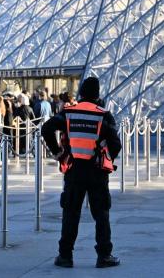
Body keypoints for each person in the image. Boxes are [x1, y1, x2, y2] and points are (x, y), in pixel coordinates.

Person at [41, 77, 121, 268]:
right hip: (96, 171)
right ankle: (104, 256)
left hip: (74, 171)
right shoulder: (103, 115)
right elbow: (116, 144)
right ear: (97, 94)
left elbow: (46, 128)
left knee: (71, 213)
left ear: (81, 93)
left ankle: (65, 256)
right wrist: (106, 158)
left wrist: (58, 152)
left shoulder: (69, 112)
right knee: (101, 214)